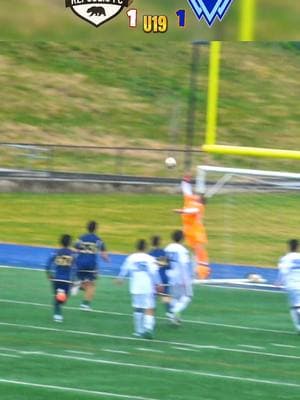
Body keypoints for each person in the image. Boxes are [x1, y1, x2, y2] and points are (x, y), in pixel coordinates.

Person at [116, 239, 161, 339]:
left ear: (136, 247)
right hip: (147, 287)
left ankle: (138, 331)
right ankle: (148, 328)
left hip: (135, 286)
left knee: (137, 308)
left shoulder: (131, 258)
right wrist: (158, 283)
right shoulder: (150, 258)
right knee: (149, 307)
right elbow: (154, 272)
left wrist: (120, 278)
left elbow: (124, 269)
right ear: (145, 247)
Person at [174, 175, 210, 280]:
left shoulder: (200, 206)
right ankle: (198, 272)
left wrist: (182, 211)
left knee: (199, 252)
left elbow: (192, 211)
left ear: (201, 200)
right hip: (188, 231)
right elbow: (186, 191)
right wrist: (185, 181)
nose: (196, 195)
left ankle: (204, 272)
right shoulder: (190, 199)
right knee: (194, 252)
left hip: (197, 232)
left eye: (198, 196)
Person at [75, 220, 109, 310]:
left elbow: (76, 249)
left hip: (80, 263)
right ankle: (85, 305)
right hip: (90, 265)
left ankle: (79, 284)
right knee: (91, 285)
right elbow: (104, 254)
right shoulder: (98, 240)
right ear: (96, 229)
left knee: (85, 284)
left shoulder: (81, 238)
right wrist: (107, 260)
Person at [165, 230, 193, 325]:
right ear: (182, 238)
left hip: (170, 276)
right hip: (181, 277)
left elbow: (165, 262)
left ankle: (175, 318)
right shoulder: (183, 250)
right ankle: (173, 312)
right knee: (187, 297)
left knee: (175, 298)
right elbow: (184, 265)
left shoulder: (167, 248)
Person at [46, 234, 76, 322]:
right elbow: (75, 267)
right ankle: (57, 314)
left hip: (57, 278)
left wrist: (49, 273)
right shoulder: (72, 254)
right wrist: (73, 279)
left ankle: (57, 310)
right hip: (66, 280)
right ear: (70, 243)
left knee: (59, 297)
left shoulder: (56, 252)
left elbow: (48, 264)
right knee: (62, 297)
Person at [277, 239, 300, 333]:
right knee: (297, 306)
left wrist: (278, 281)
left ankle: (299, 327)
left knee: (295, 307)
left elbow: (283, 271)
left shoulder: (285, 258)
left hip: (292, 285)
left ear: (289, 247)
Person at [149, 235, 172, 315]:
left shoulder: (150, 254)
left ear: (152, 243)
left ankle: (150, 318)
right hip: (164, 279)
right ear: (159, 243)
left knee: (152, 300)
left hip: (154, 281)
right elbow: (169, 266)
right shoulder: (163, 253)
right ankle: (171, 315)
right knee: (166, 298)